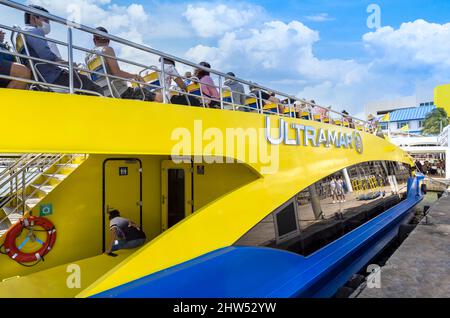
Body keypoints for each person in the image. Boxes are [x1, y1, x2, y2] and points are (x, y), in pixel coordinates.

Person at [22, 5, 103, 95]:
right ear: (33, 18)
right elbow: (48, 57)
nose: (48, 23)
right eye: (46, 20)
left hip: (38, 77)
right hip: (52, 78)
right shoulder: (34, 32)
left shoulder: (22, 32)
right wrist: (70, 64)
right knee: (94, 88)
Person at [86, 26, 161, 101]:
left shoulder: (88, 57)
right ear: (108, 39)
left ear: (94, 40)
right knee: (150, 94)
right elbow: (117, 73)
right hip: (119, 93)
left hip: (104, 94)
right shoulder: (106, 50)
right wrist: (135, 76)